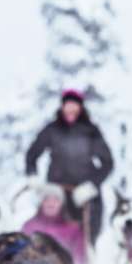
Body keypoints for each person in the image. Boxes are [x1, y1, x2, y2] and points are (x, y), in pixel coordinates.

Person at [24, 89, 114, 250]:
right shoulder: (52, 130)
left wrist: (91, 186)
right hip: (58, 193)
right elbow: (32, 154)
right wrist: (33, 176)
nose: (71, 110)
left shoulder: (91, 131)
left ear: (80, 108)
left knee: (87, 240)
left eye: (75, 106)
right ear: (62, 107)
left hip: (85, 196)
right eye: (68, 106)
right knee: (51, 236)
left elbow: (107, 163)